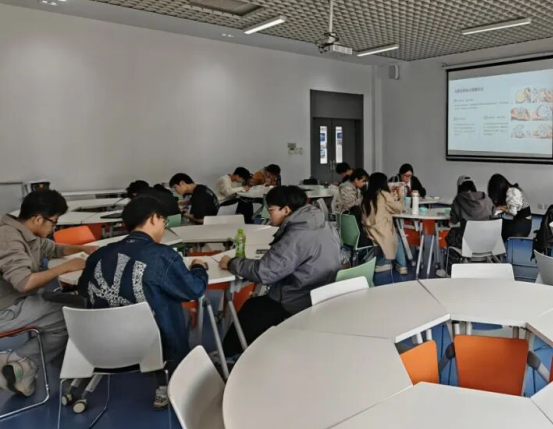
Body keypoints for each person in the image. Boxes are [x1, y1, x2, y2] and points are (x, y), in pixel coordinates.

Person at [77, 196, 209, 409]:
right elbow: (194, 289)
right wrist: (199, 267)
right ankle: (168, 383)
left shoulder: (100, 254)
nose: (163, 227)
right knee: (168, 303)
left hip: (103, 346)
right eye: (164, 221)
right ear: (154, 218)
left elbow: (83, 289)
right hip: (153, 348)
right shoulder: (161, 256)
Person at [0, 190, 97, 397]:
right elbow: (24, 283)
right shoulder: (7, 237)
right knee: (71, 316)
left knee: (78, 303)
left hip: (18, 301)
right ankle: (19, 360)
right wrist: (65, 267)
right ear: (38, 219)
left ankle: (27, 367)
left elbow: (53, 249)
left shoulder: (25, 232)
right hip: (6, 309)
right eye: (54, 222)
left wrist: (82, 249)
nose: (54, 228)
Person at [220, 186, 340, 353]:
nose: (269, 215)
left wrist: (232, 263)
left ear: (286, 210)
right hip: (323, 290)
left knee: (252, 308)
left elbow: (265, 272)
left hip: (300, 296)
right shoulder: (323, 224)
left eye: (271, 210)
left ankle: (228, 356)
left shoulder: (296, 235)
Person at [361, 172, 408, 276]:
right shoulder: (383, 194)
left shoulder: (366, 195)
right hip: (381, 231)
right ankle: (401, 265)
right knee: (397, 237)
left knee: (394, 236)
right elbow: (399, 208)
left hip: (370, 230)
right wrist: (400, 196)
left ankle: (387, 262)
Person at [445, 176, 494, 254]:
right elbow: (493, 214)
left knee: (451, 235)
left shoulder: (459, 198)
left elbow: (453, 220)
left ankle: (455, 260)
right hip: (486, 241)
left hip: (466, 242)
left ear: (459, 187)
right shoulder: (485, 198)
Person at [487, 173, 532, 241]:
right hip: (524, 225)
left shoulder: (512, 191)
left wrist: (500, 208)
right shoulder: (511, 190)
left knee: (496, 224)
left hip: (522, 226)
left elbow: (513, 211)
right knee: (498, 223)